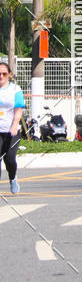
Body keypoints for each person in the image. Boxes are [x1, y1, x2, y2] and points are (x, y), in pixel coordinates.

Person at [0, 59, 25, 194]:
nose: (1, 76)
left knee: (9, 159)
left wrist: (14, 125)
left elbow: (18, 109)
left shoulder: (15, 89)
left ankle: (13, 178)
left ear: (9, 74)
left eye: (4, 73)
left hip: (11, 131)